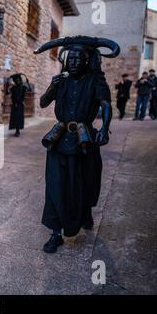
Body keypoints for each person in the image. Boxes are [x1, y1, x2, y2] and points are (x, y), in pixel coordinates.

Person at [34, 36, 119, 253]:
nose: (72, 62)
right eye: (70, 58)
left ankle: (85, 212)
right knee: (55, 186)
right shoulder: (60, 80)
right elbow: (43, 103)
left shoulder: (95, 80)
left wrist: (104, 128)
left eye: (77, 59)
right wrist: (52, 87)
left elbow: (106, 105)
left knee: (84, 183)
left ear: (87, 60)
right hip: (59, 140)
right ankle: (55, 233)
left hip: (84, 141)